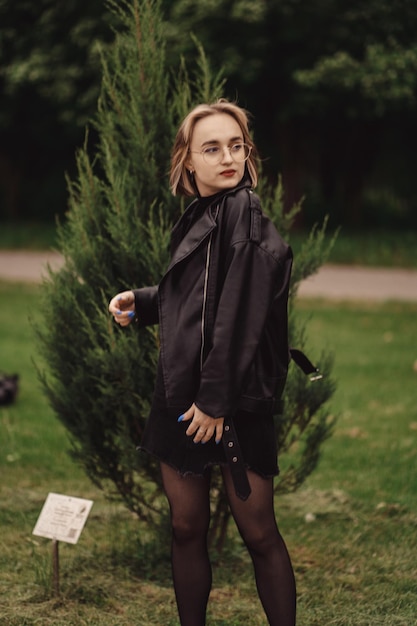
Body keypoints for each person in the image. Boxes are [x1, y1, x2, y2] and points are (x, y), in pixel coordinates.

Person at [108, 99, 296, 626]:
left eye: (236, 146)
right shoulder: (204, 211)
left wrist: (214, 403)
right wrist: (144, 302)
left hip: (230, 399)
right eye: (212, 148)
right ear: (188, 160)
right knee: (185, 527)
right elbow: (200, 295)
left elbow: (241, 315)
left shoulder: (246, 214)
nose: (227, 157)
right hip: (181, 391)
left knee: (259, 534)